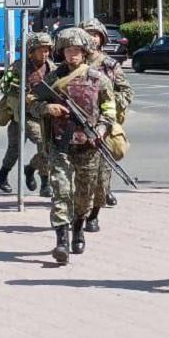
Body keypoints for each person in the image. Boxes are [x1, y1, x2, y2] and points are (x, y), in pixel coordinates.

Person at [32, 28, 117, 263]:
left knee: (83, 196)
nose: (73, 55)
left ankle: (78, 228)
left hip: (89, 147)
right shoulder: (52, 78)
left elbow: (110, 109)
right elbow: (33, 103)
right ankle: (61, 242)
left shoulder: (97, 78)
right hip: (60, 146)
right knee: (61, 191)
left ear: (85, 52)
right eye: (68, 50)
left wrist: (101, 129)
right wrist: (47, 108)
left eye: (77, 50)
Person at [79, 18, 133, 230]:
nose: (92, 38)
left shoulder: (109, 65)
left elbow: (126, 92)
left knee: (102, 179)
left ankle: (94, 215)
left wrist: (107, 101)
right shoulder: (71, 65)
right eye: (87, 33)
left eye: (95, 34)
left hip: (103, 126)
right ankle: (77, 219)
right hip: (76, 130)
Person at [0, 32, 56, 197]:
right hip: (22, 115)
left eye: (47, 50)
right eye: (41, 50)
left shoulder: (52, 68)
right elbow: (4, 86)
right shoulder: (19, 66)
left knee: (44, 145)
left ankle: (43, 181)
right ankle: (2, 174)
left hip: (43, 115)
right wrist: (20, 89)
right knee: (14, 150)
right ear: (32, 51)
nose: (44, 54)